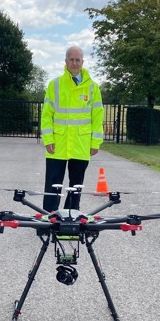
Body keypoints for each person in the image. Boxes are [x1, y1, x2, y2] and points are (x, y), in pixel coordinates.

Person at [40, 45, 104, 212]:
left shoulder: (93, 87)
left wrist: (95, 142)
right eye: (71, 60)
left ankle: (72, 217)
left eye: (77, 60)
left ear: (83, 62)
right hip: (58, 144)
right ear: (66, 61)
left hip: (81, 144)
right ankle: (49, 219)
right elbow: (47, 115)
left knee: (76, 186)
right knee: (53, 185)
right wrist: (48, 139)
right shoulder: (55, 85)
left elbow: (98, 116)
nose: (74, 63)